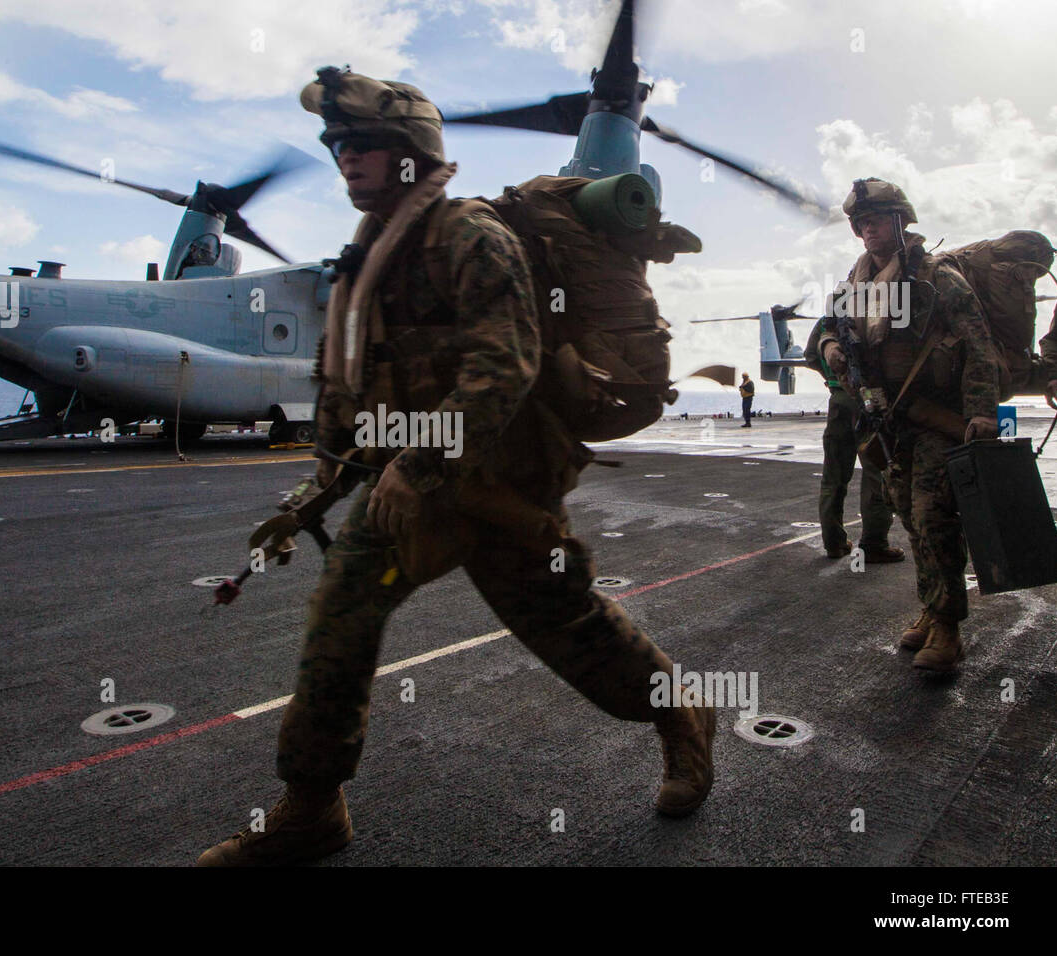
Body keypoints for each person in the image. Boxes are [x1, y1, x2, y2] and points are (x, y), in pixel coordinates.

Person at [195, 67, 716, 866]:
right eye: (336, 143)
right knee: (339, 624)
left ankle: (680, 713)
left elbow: (503, 368)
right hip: (411, 490)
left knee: (571, 629)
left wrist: (420, 458)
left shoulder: (471, 235)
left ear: (411, 153)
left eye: (363, 143)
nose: (344, 156)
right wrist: (315, 493)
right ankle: (311, 807)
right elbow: (346, 391)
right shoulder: (363, 262)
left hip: (501, 488)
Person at [817, 178, 999, 673]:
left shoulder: (936, 279)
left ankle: (948, 627)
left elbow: (979, 346)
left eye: (875, 219)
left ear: (901, 220)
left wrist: (982, 411)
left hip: (935, 416)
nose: (866, 230)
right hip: (888, 420)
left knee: (933, 513)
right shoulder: (855, 284)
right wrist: (830, 347)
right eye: (860, 223)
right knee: (909, 515)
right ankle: (932, 604)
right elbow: (829, 329)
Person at [803, 318, 904, 563]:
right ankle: (874, 544)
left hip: (838, 399)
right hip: (869, 400)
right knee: (875, 474)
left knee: (833, 476)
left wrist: (833, 378)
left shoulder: (828, 320)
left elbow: (810, 355)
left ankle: (834, 543)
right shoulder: (873, 314)